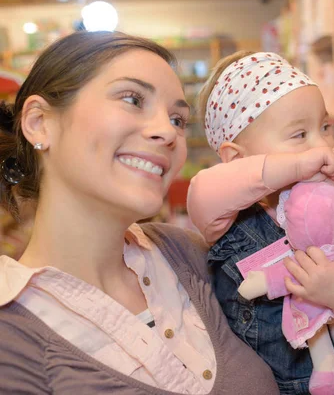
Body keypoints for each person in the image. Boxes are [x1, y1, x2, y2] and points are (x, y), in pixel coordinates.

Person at [0, 31, 279, 395]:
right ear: (39, 122)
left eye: (178, 119)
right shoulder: (13, 341)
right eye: (132, 99)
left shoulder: (189, 252)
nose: (167, 132)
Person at [187, 51, 334, 395]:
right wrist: (299, 165)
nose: (321, 146)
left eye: (325, 128)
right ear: (236, 160)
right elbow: (201, 191)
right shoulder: (226, 216)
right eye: (299, 135)